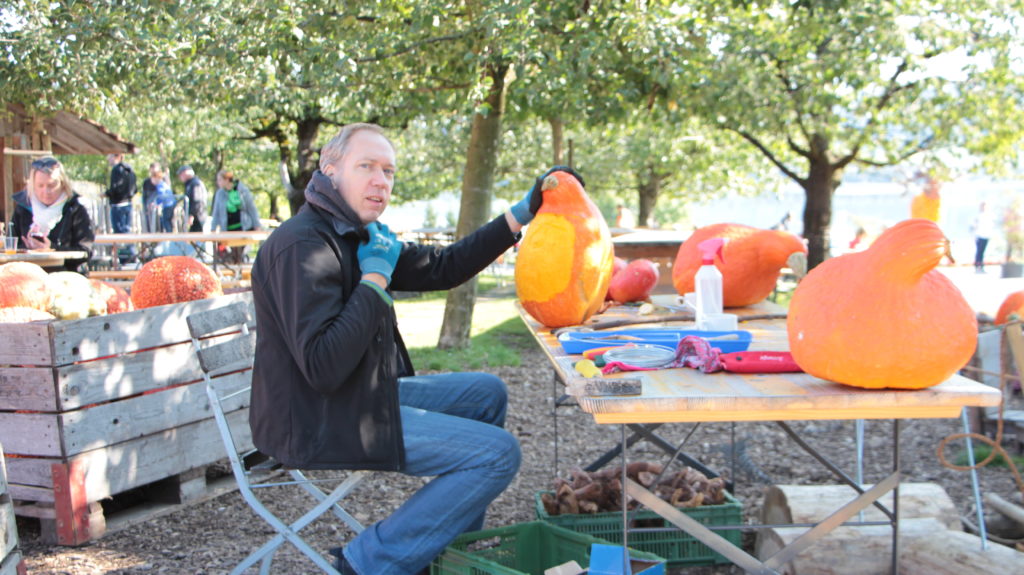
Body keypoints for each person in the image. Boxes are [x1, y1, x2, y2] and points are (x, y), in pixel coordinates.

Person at [250, 123, 580, 574]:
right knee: (499, 453)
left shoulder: (360, 235)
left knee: (487, 393)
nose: (380, 181)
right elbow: (322, 367)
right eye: (365, 166)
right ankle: (369, 562)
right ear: (329, 170)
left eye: (388, 171)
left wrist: (519, 216)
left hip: (356, 396)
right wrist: (375, 281)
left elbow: (442, 268)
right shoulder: (302, 246)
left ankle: (450, 551)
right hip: (317, 418)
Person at [11, 157, 94, 274]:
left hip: (67, 277)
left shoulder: (76, 208)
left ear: (62, 184)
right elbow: (12, 246)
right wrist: (26, 248)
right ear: (33, 185)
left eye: (51, 185)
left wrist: (52, 248)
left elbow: (86, 251)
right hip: (28, 277)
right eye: (40, 186)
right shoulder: (23, 208)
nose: (46, 191)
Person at [211, 170, 263, 264]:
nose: (218, 182)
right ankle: (236, 270)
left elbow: (251, 208)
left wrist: (257, 225)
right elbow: (216, 213)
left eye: (220, 180)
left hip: (244, 227)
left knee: (239, 253)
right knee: (230, 253)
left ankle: (238, 271)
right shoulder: (219, 194)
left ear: (227, 180)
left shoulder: (243, 191)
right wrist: (213, 228)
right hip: (228, 229)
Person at [105, 153, 137, 262]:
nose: (107, 159)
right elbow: (134, 188)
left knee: (120, 234)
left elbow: (116, 188)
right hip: (128, 203)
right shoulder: (130, 169)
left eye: (109, 156)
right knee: (127, 231)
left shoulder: (117, 170)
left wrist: (107, 193)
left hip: (118, 205)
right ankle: (131, 257)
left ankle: (125, 259)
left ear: (116, 156)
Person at [176, 165, 208, 232]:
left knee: (197, 239)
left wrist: (192, 215)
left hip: (198, 217)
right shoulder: (190, 184)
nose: (180, 177)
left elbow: (197, 201)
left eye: (181, 174)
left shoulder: (195, 184)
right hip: (196, 218)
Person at [971, 201, 996, 273]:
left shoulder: (989, 215)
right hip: (979, 235)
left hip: (986, 235)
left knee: (982, 252)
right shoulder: (978, 215)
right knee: (979, 251)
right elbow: (973, 225)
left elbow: (992, 225)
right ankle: (977, 266)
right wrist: (974, 235)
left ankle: (981, 266)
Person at [141, 162, 166, 232]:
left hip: (160, 208)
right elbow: (144, 196)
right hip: (149, 208)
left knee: (161, 225)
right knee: (150, 226)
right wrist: (145, 207)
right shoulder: (146, 182)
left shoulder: (163, 180)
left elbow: (165, 195)